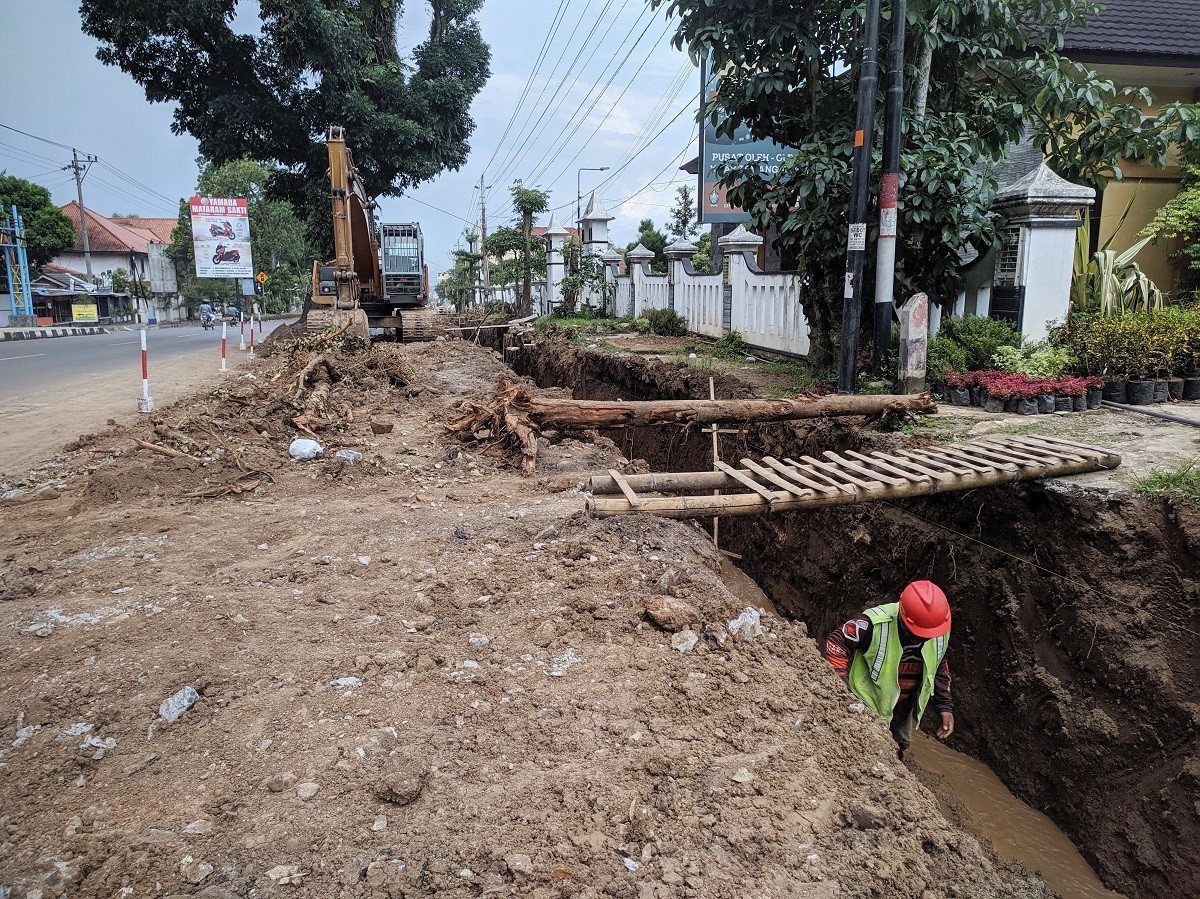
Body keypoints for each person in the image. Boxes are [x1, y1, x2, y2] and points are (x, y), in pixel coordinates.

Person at [825, 580, 954, 758]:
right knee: (866, 746)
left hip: (904, 701)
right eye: (917, 635)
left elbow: (939, 664)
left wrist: (945, 707)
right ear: (903, 617)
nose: (923, 640)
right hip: (868, 699)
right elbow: (836, 642)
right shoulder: (876, 623)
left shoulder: (937, 628)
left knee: (900, 743)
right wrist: (841, 686)